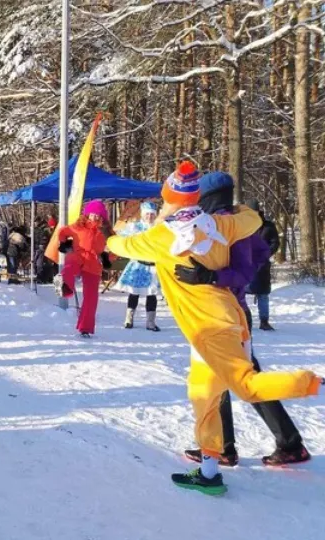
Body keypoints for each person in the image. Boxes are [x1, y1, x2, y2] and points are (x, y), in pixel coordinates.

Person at [106, 161, 322, 495]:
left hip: (216, 325)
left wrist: (110, 234)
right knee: (204, 397)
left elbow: (122, 246)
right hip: (210, 327)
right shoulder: (223, 222)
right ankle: (210, 470)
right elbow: (252, 218)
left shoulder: (167, 235)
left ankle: (315, 385)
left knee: (247, 386)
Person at [176, 172, 309, 467]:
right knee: (236, 378)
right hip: (223, 311)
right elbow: (261, 252)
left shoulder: (228, 226)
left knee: (227, 378)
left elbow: (246, 271)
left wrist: (212, 276)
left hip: (225, 314)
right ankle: (284, 442)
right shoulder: (229, 222)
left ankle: (226, 446)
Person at [50, 200, 111, 338]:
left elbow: (115, 244)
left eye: (98, 215)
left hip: (94, 263)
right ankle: (64, 286)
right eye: (92, 214)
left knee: (91, 297)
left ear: (102, 217)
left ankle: (85, 328)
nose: (94, 217)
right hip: (78, 255)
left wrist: (108, 257)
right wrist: (65, 243)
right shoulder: (78, 226)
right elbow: (62, 231)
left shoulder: (106, 231)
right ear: (87, 214)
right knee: (69, 268)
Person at [115, 202, 161, 332]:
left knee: (151, 294)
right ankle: (129, 319)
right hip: (138, 265)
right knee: (134, 292)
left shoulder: (158, 229)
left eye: (152, 214)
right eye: (147, 214)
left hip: (153, 266)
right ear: (142, 215)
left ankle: (150, 322)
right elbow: (120, 234)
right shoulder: (136, 227)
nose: (150, 217)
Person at [244, 199, 280, 331]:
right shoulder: (242, 226)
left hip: (262, 265)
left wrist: (265, 254)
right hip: (245, 264)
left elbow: (275, 243)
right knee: (240, 292)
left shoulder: (268, 226)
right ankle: (243, 320)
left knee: (263, 294)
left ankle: (264, 321)